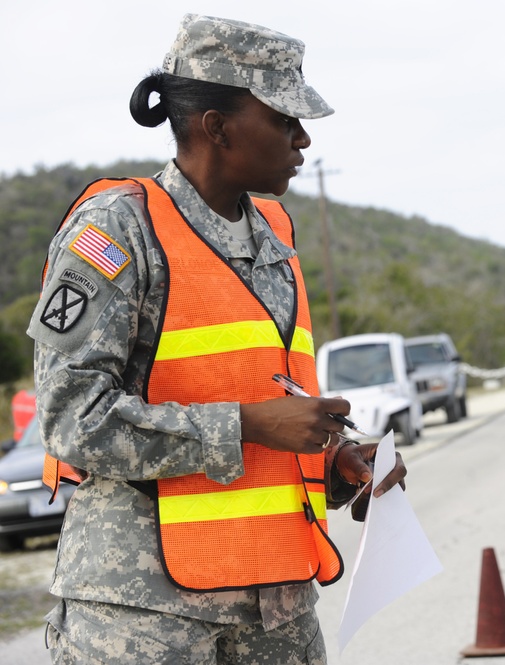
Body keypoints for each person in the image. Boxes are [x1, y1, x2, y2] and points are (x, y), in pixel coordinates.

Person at [26, 14, 406, 664]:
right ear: (217, 126)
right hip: (143, 614)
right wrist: (248, 425)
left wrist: (335, 460)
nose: (303, 137)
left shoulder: (276, 236)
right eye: (284, 118)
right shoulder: (114, 234)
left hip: (276, 608)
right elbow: (71, 421)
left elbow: (267, 399)